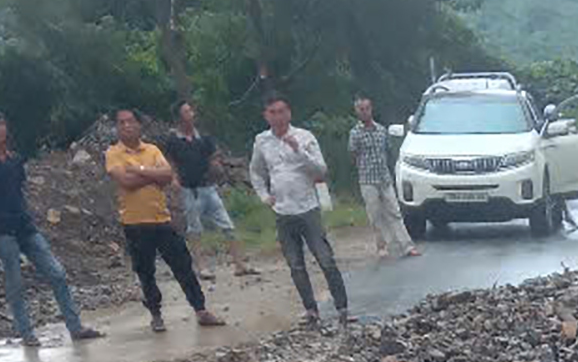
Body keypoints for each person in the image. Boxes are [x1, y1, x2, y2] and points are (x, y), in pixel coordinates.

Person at [0, 108, 104, 349]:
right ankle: (27, 333)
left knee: (57, 274)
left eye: (2, 123)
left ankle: (75, 327)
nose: (1, 129)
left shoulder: (14, 159)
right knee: (15, 282)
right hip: (0, 230)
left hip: (25, 225)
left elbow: (20, 189)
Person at [105, 108, 227, 333]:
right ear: (117, 127)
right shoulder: (113, 153)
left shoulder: (152, 149)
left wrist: (139, 169)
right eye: (121, 122)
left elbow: (167, 175)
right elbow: (126, 182)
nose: (126, 126)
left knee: (183, 265)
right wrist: (153, 175)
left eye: (130, 121)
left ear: (139, 125)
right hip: (134, 223)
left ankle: (201, 310)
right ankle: (156, 314)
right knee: (146, 272)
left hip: (161, 219)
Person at [250, 94, 350, 328]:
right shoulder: (262, 141)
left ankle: (342, 307)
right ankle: (311, 310)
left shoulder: (304, 137)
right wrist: (264, 195)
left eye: (281, 111)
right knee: (295, 264)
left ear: (289, 113)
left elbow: (321, 170)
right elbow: (256, 171)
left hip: (307, 207)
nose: (278, 117)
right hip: (282, 210)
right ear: (266, 116)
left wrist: (299, 151)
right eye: (273, 112)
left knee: (325, 259)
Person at [164, 100, 255, 278]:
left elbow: (213, 156)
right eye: (187, 111)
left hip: (208, 187)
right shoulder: (173, 141)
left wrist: (216, 165)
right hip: (189, 189)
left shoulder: (203, 138)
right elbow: (170, 162)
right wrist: (173, 179)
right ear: (179, 118)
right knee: (194, 229)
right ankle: (201, 267)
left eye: (191, 111)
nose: (192, 114)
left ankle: (240, 264)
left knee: (227, 225)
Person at [347, 95, 421, 258]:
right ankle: (382, 246)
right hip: (367, 179)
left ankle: (407, 246)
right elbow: (353, 154)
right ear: (357, 112)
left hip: (384, 178)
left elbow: (388, 151)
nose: (364, 112)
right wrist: (361, 168)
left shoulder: (381, 130)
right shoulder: (355, 133)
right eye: (361, 109)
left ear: (371, 109)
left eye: (367, 108)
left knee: (395, 212)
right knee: (375, 215)